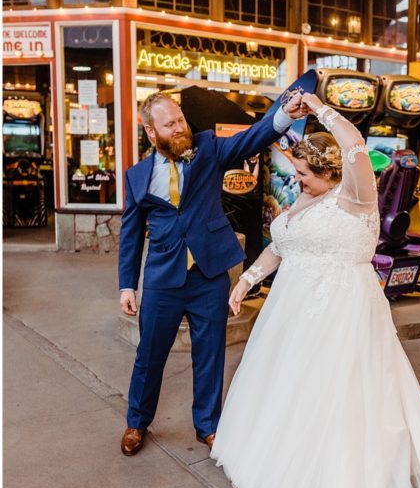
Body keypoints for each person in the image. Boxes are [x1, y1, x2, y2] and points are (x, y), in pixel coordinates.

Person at [210, 93, 420, 488]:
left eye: (304, 174)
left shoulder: (356, 197)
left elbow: (354, 142)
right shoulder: (304, 199)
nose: (297, 180)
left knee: (338, 394)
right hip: (291, 310)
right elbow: (282, 245)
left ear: (330, 172)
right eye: (296, 173)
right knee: (292, 388)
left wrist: (320, 107)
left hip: (340, 309)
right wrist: (247, 280)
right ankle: (287, 470)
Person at [118, 90, 304, 456]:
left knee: (210, 354)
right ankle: (137, 422)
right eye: (169, 124)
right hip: (162, 279)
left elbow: (253, 137)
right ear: (151, 132)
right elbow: (130, 234)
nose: (180, 128)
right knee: (149, 355)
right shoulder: (136, 176)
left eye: (180, 120)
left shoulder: (208, 148)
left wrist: (284, 114)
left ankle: (207, 426)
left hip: (209, 274)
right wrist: (127, 285)